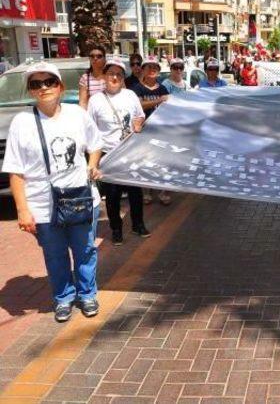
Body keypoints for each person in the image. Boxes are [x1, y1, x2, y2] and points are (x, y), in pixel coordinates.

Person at [1, 62, 103, 322]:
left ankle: (87, 294)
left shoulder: (77, 115)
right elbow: (15, 171)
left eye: (49, 82)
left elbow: (95, 145)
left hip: (80, 197)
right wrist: (23, 210)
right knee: (55, 255)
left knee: (85, 250)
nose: (44, 87)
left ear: (60, 86)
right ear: (31, 91)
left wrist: (92, 165)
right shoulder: (21, 123)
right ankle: (63, 298)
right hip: (43, 204)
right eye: (36, 84)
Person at [87, 58, 150, 245]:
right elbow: (90, 128)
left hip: (130, 151)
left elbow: (140, 115)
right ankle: (116, 229)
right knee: (112, 195)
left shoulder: (130, 95)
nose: (114, 77)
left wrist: (138, 124)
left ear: (123, 78)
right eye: (111, 74)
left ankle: (138, 224)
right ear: (104, 77)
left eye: (118, 74)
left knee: (135, 192)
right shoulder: (96, 100)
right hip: (108, 154)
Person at [132, 57, 170, 205]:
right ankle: (147, 192)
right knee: (145, 161)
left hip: (162, 130)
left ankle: (163, 192)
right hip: (145, 130)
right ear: (143, 70)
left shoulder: (162, 88)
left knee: (163, 162)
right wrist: (160, 100)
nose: (152, 70)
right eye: (149, 67)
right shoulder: (137, 88)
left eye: (155, 67)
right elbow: (140, 106)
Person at [78, 45, 107, 109]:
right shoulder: (85, 78)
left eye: (99, 56)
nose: (95, 58)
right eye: (92, 56)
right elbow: (82, 102)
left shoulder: (111, 76)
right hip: (92, 116)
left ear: (104, 59)